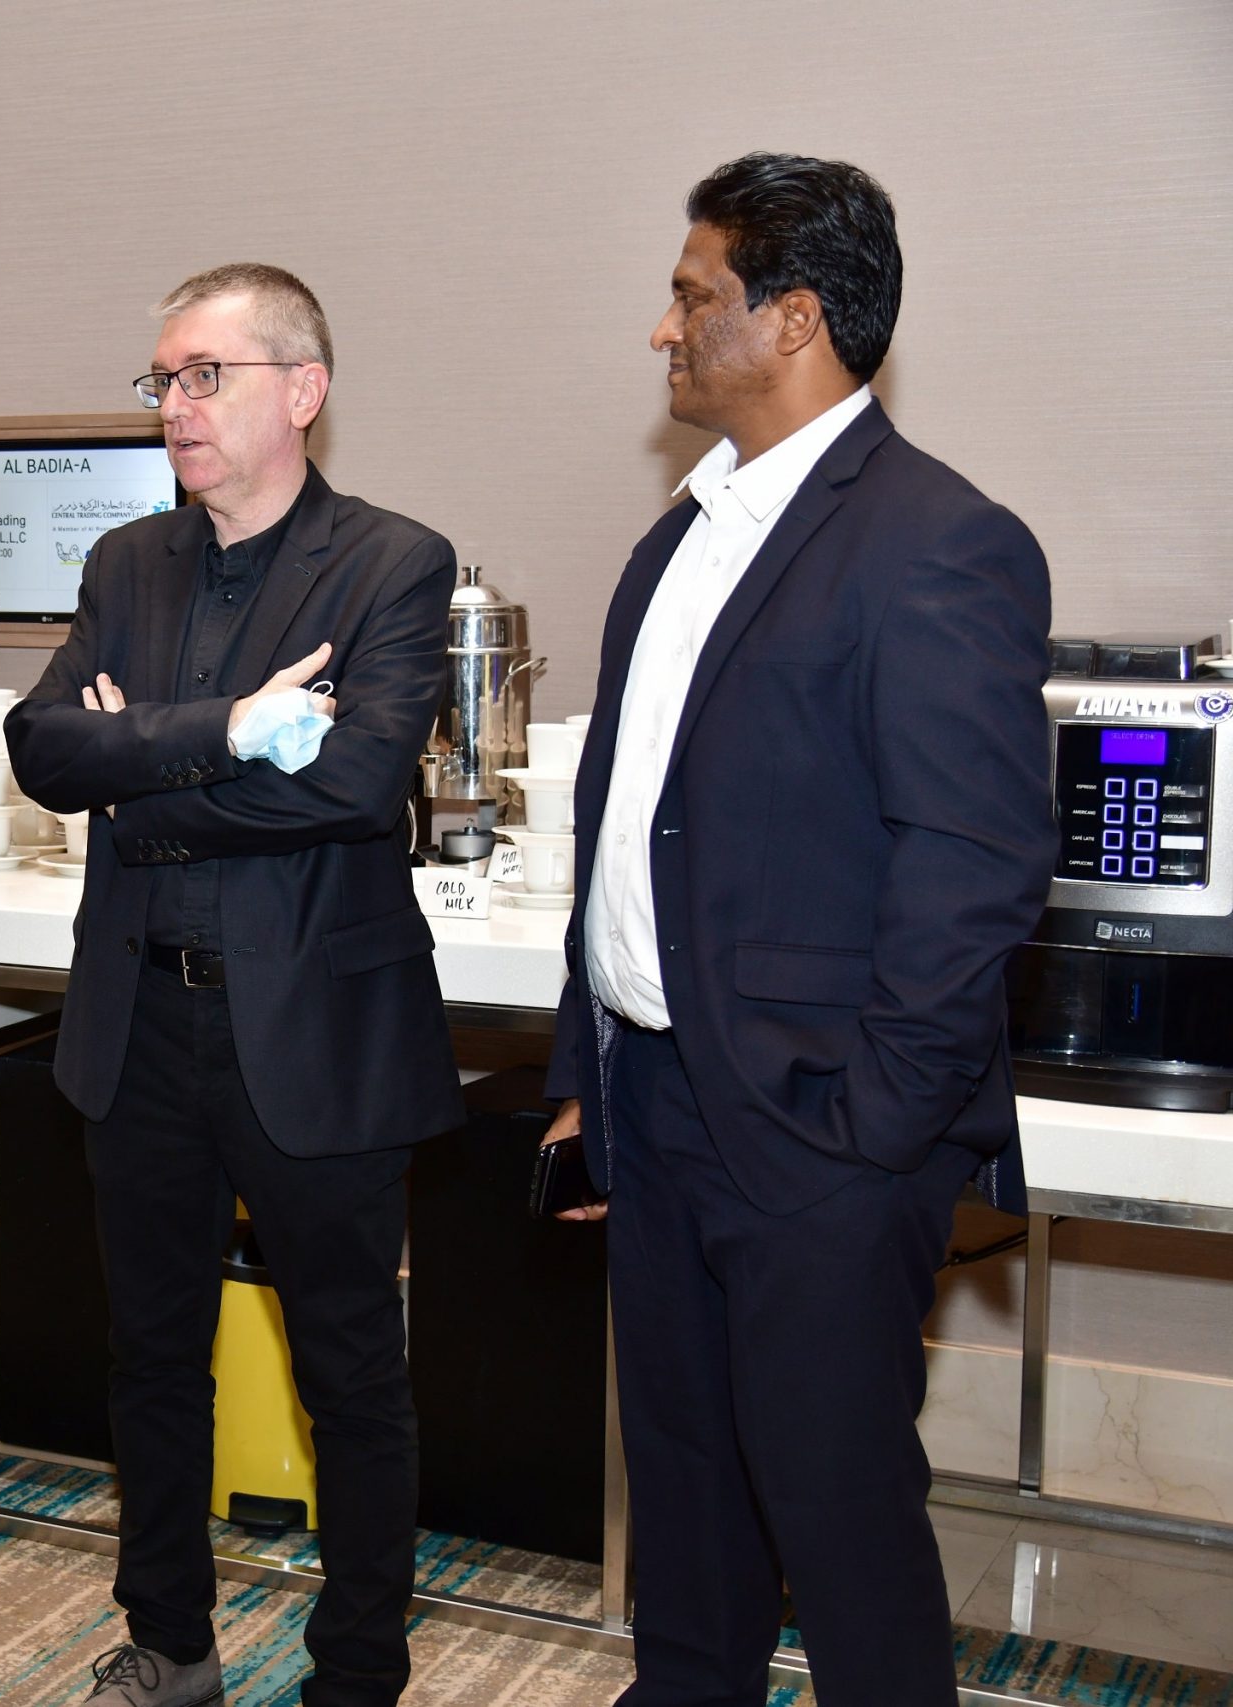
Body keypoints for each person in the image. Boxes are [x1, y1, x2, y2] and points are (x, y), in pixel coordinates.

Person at [541, 154, 1057, 1702]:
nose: (664, 331)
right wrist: (591, 1068)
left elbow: (971, 866)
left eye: (694, 296)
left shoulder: (937, 541)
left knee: (835, 1520)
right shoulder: (680, 538)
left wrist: (869, 1131)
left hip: (821, 1126)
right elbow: (624, 832)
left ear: (795, 321)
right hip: (661, 1100)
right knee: (683, 1496)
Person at [5, 263, 465, 1707]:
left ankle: (358, 1670)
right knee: (151, 1358)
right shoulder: (125, 566)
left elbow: (353, 781)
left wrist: (140, 765)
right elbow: (40, 749)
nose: (174, 410)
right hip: (140, 1022)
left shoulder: (393, 562)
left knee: (349, 1371)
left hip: (314, 1032)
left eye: (205, 377)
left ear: (302, 392)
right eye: (162, 382)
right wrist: (225, 733)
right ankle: (171, 1646)